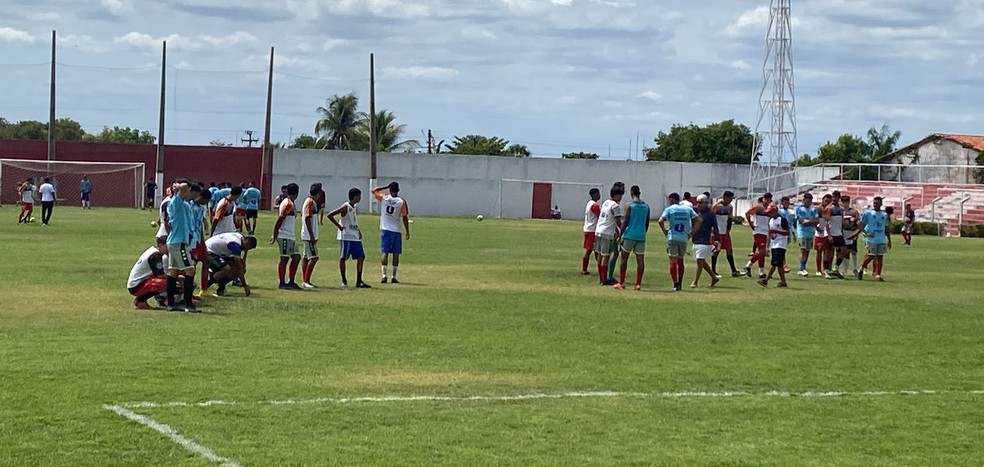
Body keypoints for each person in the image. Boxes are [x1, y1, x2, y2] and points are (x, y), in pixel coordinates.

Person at [165, 181, 201, 312]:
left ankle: (171, 303)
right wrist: (178, 187)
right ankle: (188, 303)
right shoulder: (176, 202)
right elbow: (184, 186)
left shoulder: (184, 204)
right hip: (178, 243)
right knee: (190, 271)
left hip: (177, 242)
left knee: (173, 272)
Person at [327, 188, 372, 289]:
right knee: (343, 258)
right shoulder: (345, 207)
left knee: (361, 257)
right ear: (355, 196)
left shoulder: (354, 207)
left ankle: (359, 280)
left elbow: (353, 221)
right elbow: (330, 215)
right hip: (346, 236)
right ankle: (344, 280)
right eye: (359, 196)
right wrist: (339, 226)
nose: (360, 198)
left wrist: (358, 231)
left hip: (355, 236)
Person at [658, 192, 699, 292]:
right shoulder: (687, 209)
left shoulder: (669, 209)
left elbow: (660, 220)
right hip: (683, 238)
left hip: (672, 237)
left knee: (672, 261)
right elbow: (698, 220)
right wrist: (692, 233)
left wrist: (664, 231)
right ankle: (680, 282)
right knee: (680, 261)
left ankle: (675, 284)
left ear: (671, 200)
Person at [373, 181, 411, 284]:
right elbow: (404, 217)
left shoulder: (384, 198)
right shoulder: (401, 201)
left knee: (385, 252)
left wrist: (385, 186)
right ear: (398, 190)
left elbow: (374, 191)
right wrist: (407, 231)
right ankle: (394, 277)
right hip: (396, 230)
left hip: (385, 229)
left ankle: (384, 275)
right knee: (395, 254)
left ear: (389, 190)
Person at [615, 185, 649, 290]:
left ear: (631, 193)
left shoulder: (629, 206)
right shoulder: (646, 206)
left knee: (624, 258)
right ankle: (638, 284)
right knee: (640, 260)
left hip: (630, 235)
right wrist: (643, 232)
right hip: (641, 235)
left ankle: (622, 282)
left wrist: (620, 234)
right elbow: (646, 223)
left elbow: (625, 222)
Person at [204, 232, 256, 297]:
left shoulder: (241, 238)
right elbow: (239, 268)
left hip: (219, 252)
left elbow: (241, 266)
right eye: (248, 247)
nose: (246, 250)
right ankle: (204, 288)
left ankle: (220, 288)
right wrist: (245, 286)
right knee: (226, 269)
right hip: (209, 250)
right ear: (246, 242)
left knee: (235, 269)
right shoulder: (235, 245)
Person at [272, 183, 302, 290]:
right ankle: (282, 282)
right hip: (284, 235)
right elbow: (280, 219)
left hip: (290, 236)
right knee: (284, 259)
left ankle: (291, 281)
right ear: (296, 193)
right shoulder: (288, 204)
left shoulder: (290, 203)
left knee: (296, 257)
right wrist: (275, 234)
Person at [593, 183, 624, 286]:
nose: (621, 197)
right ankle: (605, 279)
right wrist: (622, 230)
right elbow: (618, 221)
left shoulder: (606, 202)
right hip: (607, 233)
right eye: (620, 195)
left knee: (600, 256)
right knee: (605, 256)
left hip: (598, 230)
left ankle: (601, 278)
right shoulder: (615, 206)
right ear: (615, 195)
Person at [127, 239, 169, 309]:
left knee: (170, 281)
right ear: (160, 245)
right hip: (137, 285)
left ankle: (141, 300)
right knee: (169, 282)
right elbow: (160, 275)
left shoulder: (152, 250)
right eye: (167, 246)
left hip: (137, 283)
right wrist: (177, 277)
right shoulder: (156, 255)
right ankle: (141, 300)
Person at [690, 194, 721, 289]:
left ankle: (695, 282)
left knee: (699, 261)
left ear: (706, 203)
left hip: (704, 240)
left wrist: (717, 240)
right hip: (695, 239)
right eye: (697, 202)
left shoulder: (710, 214)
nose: (698, 204)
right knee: (701, 261)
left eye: (700, 202)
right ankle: (713, 277)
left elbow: (715, 227)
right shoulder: (694, 211)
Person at [857, 196, 892, 281]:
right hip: (871, 239)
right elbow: (860, 224)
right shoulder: (868, 213)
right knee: (871, 255)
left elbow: (887, 228)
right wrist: (866, 233)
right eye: (874, 203)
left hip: (881, 238)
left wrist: (889, 240)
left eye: (877, 203)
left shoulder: (884, 215)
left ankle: (878, 274)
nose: (875, 204)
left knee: (880, 256)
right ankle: (861, 268)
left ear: (881, 204)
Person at [757, 203, 790, 288]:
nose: (769, 214)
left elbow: (787, 232)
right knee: (779, 264)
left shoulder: (782, 219)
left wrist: (776, 231)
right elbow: (769, 233)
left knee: (774, 263)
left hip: (781, 244)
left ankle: (766, 280)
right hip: (774, 244)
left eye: (771, 212)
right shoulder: (771, 220)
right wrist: (767, 246)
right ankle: (783, 282)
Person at [711, 191, 741, 277]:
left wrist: (728, 232)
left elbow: (729, 221)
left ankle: (734, 271)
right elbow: (711, 218)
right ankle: (713, 270)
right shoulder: (717, 206)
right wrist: (713, 232)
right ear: (725, 197)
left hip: (725, 232)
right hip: (717, 232)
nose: (731, 201)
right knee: (717, 251)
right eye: (730, 199)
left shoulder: (730, 207)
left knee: (729, 250)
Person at [744, 192, 773, 278]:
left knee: (762, 252)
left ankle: (761, 272)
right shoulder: (759, 207)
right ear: (764, 198)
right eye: (766, 199)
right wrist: (751, 224)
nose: (768, 201)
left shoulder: (769, 208)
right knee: (762, 251)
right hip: (758, 231)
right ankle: (748, 266)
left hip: (766, 231)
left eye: (769, 199)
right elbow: (747, 213)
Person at [190, 187, 212, 299]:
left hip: (199, 240)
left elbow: (200, 225)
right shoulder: (189, 205)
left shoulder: (202, 207)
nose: (206, 203)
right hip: (191, 241)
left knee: (206, 261)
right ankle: (189, 291)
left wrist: (203, 240)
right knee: (191, 266)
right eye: (206, 201)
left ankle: (204, 289)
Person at [300, 184, 321, 289]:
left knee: (306, 257)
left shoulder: (310, 201)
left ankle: (305, 279)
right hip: (309, 236)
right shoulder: (310, 202)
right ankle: (306, 280)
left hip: (308, 235)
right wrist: (312, 235)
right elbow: (308, 218)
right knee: (314, 257)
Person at [794, 193, 820, 277]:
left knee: (808, 251)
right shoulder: (799, 209)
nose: (808, 203)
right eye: (807, 201)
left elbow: (817, 221)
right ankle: (802, 269)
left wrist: (808, 221)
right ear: (803, 200)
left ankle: (803, 267)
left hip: (810, 233)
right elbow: (801, 221)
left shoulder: (814, 210)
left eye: (810, 201)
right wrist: (811, 222)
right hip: (802, 232)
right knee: (803, 249)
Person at [824, 191, 846, 279]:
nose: (834, 198)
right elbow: (826, 222)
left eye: (836, 197)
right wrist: (829, 235)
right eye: (833, 197)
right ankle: (826, 271)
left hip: (838, 232)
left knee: (843, 249)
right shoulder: (829, 208)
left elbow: (841, 221)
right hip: (831, 232)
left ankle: (835, 268)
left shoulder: (841, 209)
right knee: (828, 252)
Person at [580, 188, 602, 276]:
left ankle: (601, 268)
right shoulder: (595, 206)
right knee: (590, 250)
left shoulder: (589, 203)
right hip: (592, 230)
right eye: (598, 194)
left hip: (588, 229)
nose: (599, 195)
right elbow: (600, 217)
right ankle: (585, 269)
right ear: (594, 195)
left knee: (596, 250)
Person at [840, 195, 862, 277]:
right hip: (843, 233)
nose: (845, 204)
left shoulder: (854, 212)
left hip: (852, 233)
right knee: (844, 252)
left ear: (849, 202)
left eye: (846, 202)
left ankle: (855, 268)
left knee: (853, 251)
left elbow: (858, 223)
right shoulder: (841, 211)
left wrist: (856, 233)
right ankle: (844, 271)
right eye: (843, 202)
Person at [813, 194, 833, 276]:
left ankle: (825, 268)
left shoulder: (830, 209)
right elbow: (814, 219)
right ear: (822, 200)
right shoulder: (818, 209)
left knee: (827, 252)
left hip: (827, 232)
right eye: (826, 201)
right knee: (819, 251)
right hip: (820, 232)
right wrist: (816, 227)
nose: (827, 203)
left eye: (829, 201)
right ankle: (818, 269)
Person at [778, 196, 796, 273]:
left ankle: (782, 264)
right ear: (782, 203)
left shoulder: (789, 213)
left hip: (788, 233)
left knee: (783, 250)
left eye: (788, 203)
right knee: (781, 250)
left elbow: (791, 224)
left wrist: (793, 234)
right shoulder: (780, 212)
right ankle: (783, 265)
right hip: (782, 233)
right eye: (785, 203)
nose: (787, 204)